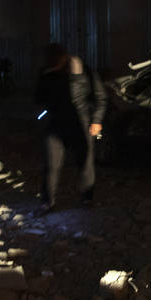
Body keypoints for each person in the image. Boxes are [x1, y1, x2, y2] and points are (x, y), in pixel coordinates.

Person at [35, 43, 106, 212]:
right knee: (51, 165)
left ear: (64, 58)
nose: (53, 65)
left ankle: (87, 199)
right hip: (55, 125)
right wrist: (43, 114)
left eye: (56, 62)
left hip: (81, 124)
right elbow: (37, 99)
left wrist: (96, 121)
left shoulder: (84, 70)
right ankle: (48, 201)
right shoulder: (46, 72)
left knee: (85, 165)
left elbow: (101, 97)